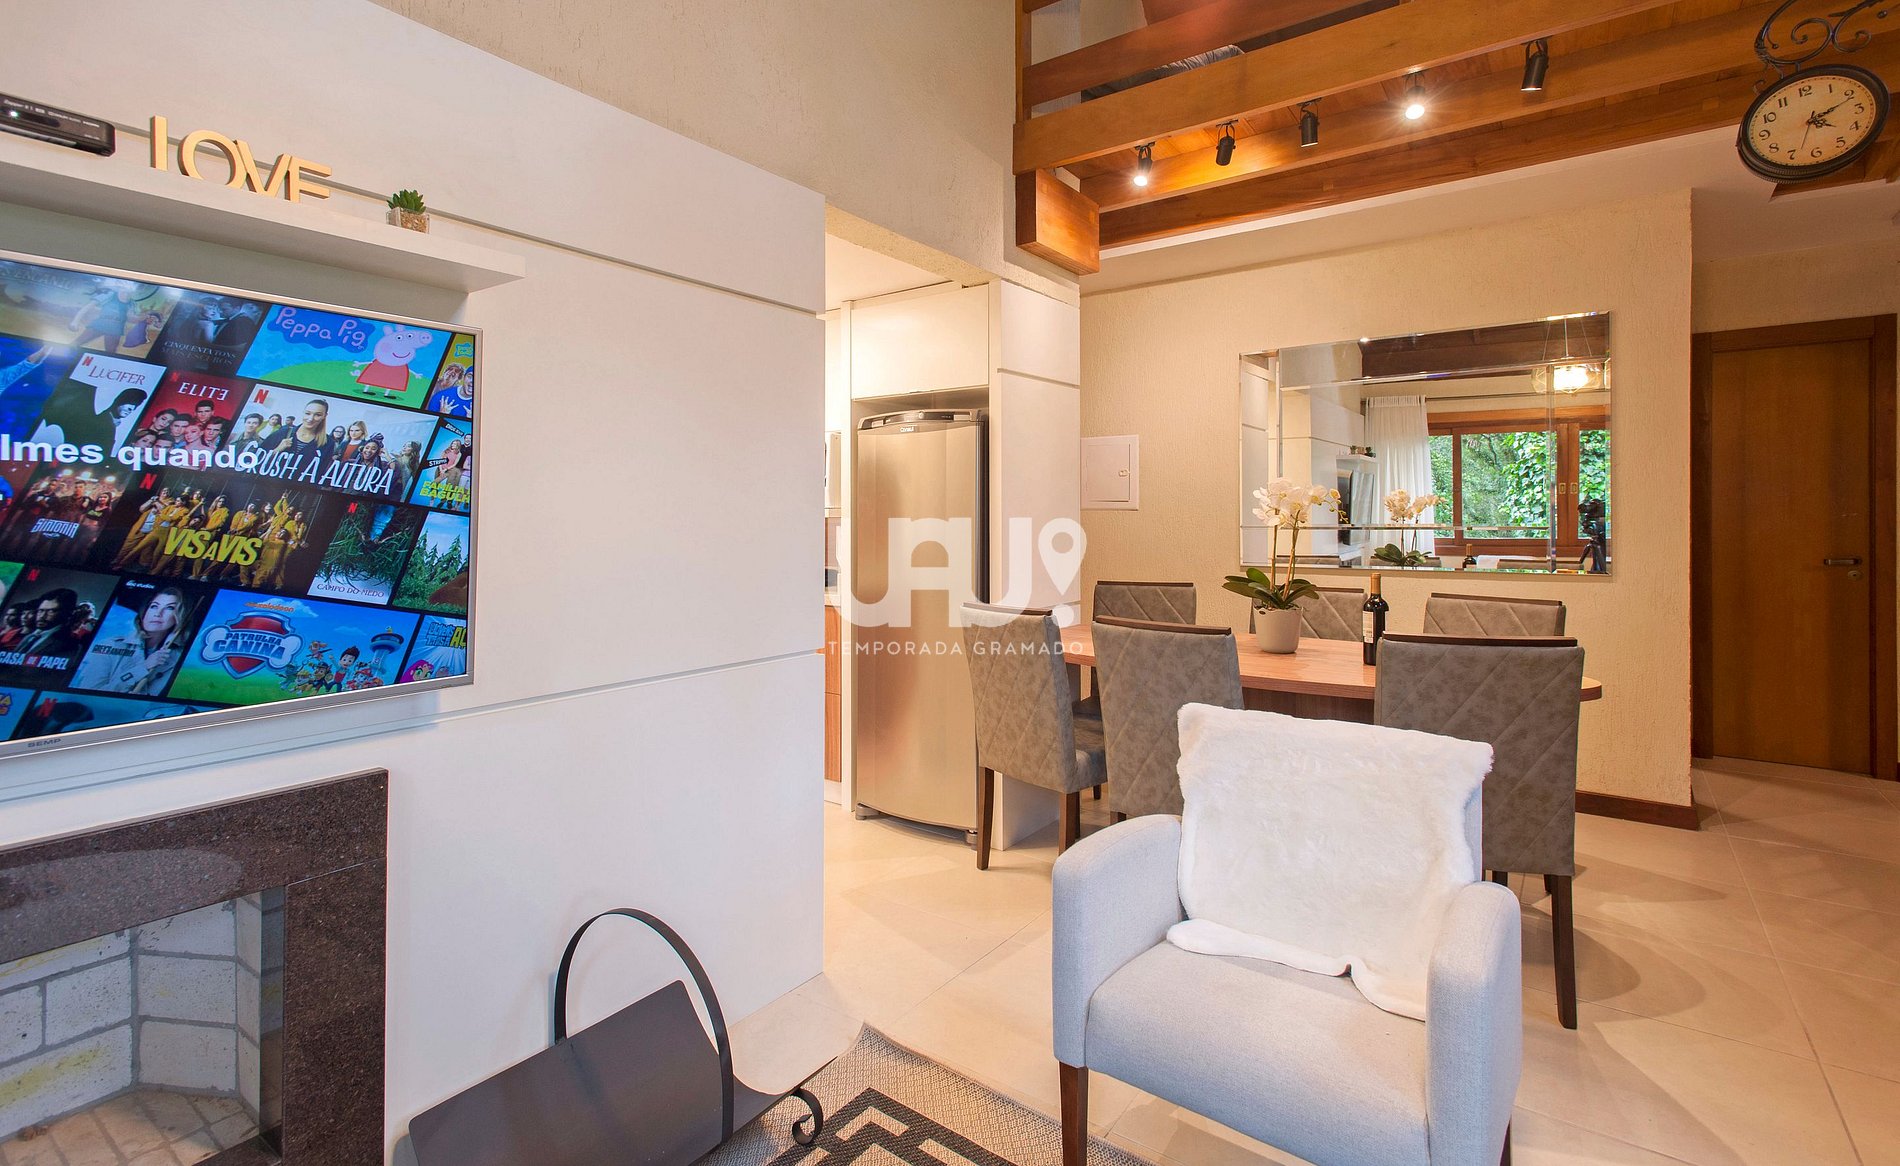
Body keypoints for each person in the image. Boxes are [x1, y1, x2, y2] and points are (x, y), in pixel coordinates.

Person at [71, 585, 189, 695]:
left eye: (169, 608)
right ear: (145, 611)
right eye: (154, 606)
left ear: (179, 616)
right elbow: (87, 693)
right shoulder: (110, 645)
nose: (158, 613)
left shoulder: (181, 656)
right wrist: (143, 668)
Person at [262, 399, 335, 467]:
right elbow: (259, 458)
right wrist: (277, 450)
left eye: (318, 415)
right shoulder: (283, 433)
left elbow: (321, 470)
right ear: (303, 412)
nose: (310, 419)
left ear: (325, 416)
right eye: (307, 413)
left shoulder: (328, 443)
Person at [17, 588, 83, 659]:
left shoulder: (68, 644)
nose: (42, 616)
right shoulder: (29, 636)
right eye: (41, 610)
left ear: (67, 612)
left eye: (51, 611)